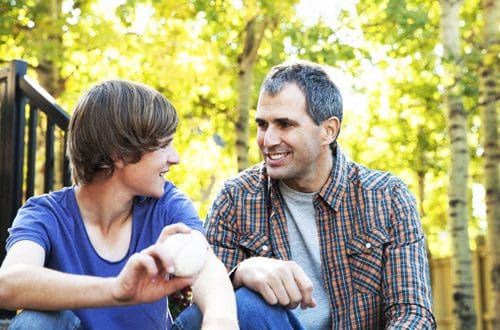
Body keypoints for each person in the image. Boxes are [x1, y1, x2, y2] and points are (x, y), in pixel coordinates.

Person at [204, 60, 436, 329]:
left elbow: (413, 315)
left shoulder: (388, 198)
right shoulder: (235, 199)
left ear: (328, 130)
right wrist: (240, 273)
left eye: (285, 124)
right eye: (263, 125)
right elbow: (198, 305)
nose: (268, 140)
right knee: (237, 301)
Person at [0, 80, 239, 329]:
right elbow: (8, 282)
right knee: (36, 322)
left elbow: (207, 268)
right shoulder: (45, 214)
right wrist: (117, 290)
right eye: (163, 145)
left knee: (223, 310)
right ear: (120, 153)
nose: (175, 158)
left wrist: (220, 319)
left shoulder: (166, 204)